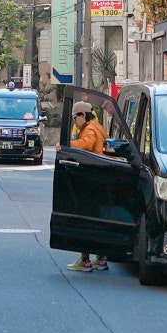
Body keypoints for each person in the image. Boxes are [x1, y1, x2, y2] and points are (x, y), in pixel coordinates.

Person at [65, 101, 112, 272]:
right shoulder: (98, 127)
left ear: (82, 115)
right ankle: (100, 258)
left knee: (86, 219)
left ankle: (84, 260)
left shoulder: (90, 130)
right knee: (99, 219)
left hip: (92, 180)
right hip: (102, 179)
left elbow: (86, 144)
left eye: (75, 117)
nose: (74, 121)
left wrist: (66, 145)